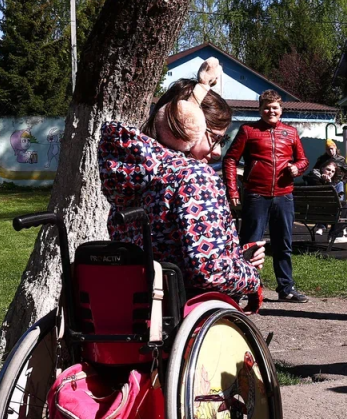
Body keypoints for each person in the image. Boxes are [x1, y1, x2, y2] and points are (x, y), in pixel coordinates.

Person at [99, 60, 264, 303]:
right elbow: (210, 270)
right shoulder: (194, 175)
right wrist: (251, 276)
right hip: (183, 307)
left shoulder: (133, 176)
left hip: (134, 306)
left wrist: (236, 255)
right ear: (189, 126)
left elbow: (171, 248)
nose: (217, 152)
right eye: (215, 139)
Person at [224, 89, 309, 303]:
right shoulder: (248, 131)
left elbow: (303, 160)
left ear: (281, 110)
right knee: (251, 242)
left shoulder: (290, 133)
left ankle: (286, 288)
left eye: (275, 107)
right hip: (256, 194)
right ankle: (245, 286)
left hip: (284, 195)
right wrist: (232, 190)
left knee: (284, 243)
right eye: (266, 107)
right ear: (260, 109)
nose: (271, 111)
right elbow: (231, 159)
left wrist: (297, 168)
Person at [304, 157, 347, 244]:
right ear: (322, 168)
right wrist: (328, 183)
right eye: (328, 169)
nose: (330, 173)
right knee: (344, 205)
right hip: (317, 210)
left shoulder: (319, 178)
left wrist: (329, 182)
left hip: (314, 211)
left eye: (333, 171)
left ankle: (337, 233)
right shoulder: (314, 178)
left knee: (342, 200)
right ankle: (336, 235)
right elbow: (323, 196)